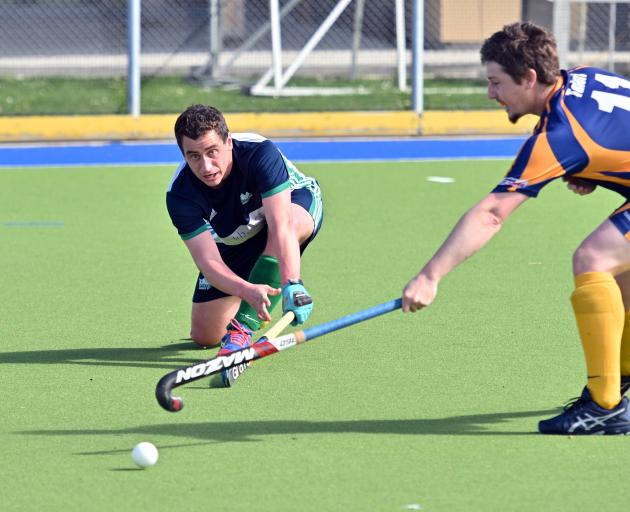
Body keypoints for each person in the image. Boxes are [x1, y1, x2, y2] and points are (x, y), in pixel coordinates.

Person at [401, 22, 630, 435]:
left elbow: (492, 213)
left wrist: (429, 277)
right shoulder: (585, 76)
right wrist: (597, 171)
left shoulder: (561, 135)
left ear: (528, 78)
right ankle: (620, 378)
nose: (491, 93)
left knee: (594, 257)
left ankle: (605, 406)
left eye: (496, 82)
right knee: (620, 269)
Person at [167, 104, 323, 386]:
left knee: (290, 225)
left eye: (212, 151)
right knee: (205, 335)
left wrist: (292, 284)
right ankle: (258, 289)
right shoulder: (180, 195)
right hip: (236, 237)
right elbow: (209, 263)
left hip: (291, 210)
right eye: (194, 156)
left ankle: (242, 330)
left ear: (228, 141)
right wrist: (247, 289)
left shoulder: (259, 153)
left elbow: (282, 225)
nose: (206, 166)